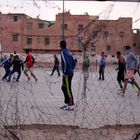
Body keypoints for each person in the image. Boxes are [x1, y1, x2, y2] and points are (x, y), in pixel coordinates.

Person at [60, 40, 76, 110]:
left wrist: (65, 72)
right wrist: (72, 68)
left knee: (68, 89)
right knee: (63, 88)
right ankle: (66, 103)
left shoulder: (63, 52)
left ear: (60, 46)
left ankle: (71, 104)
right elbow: (74, 60)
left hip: (67, 74)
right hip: (70, 72)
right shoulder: (69, 52)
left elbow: (66, 62)